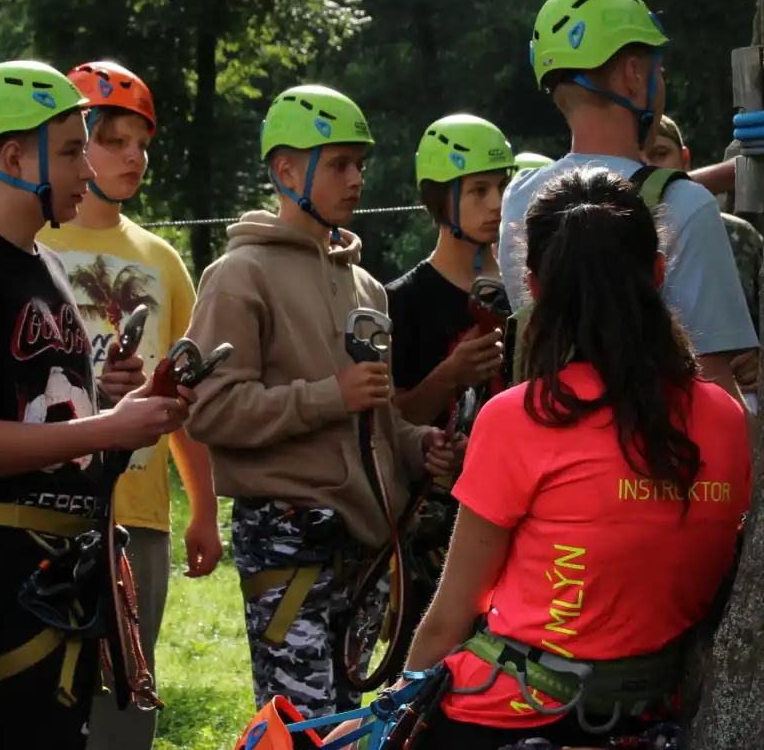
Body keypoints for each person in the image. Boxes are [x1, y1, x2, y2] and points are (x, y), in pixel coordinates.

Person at [357, 167, 750, 749]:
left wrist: (396, 723)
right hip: (649, 717)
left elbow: (448, 617)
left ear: (535, 288)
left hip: (506, 717)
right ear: (659, 274)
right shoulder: (727, 421)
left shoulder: (523, 418)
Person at [0, 59, 193, 750]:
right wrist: (108, 424)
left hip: (56, 583)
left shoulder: (46, 266)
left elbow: (51, 423)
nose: (86, 172)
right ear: (9, 155)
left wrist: (124, 404)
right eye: (68, 153)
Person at [183, 84, 458, 721]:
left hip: (363, 549)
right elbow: (210, 409)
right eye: (338, 164)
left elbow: (377, 419)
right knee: (300, 729)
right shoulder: (239, 275)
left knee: (349, 724)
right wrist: (326, 397)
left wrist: (421, 446)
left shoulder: (365, 285)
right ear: (286, 171)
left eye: (359, 163)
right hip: (289, 540)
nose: (357, 178)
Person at [37, 58, 223, 750]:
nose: (133, 156)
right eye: (114, 140)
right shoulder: (31, 245)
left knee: (123, 711)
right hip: (42, 512)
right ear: (72, 139)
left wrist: (202, 509)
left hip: (139, 517)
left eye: (141, 143)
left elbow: (184, 402)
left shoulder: (162, 260)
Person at [501, 0, 757, 407]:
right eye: (658, 71)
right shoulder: (686, 206)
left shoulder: (520, 197)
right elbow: (713, 394)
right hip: (652, 457)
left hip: (550, 444)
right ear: (634, 76)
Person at [385, 114, 509, 666]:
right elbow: (392, 419)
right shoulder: (403, 301)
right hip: (434, 522)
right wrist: (450, 374)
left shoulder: (526, 296)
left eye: (501, 187)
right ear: (441, 199)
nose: (496, 203)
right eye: (479, 190)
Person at [644, 115, 761, 408]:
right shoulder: (611, 242)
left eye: (660, 154)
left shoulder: (740, 237)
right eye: (640, 159)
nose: (650, 168)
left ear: (684, 159)